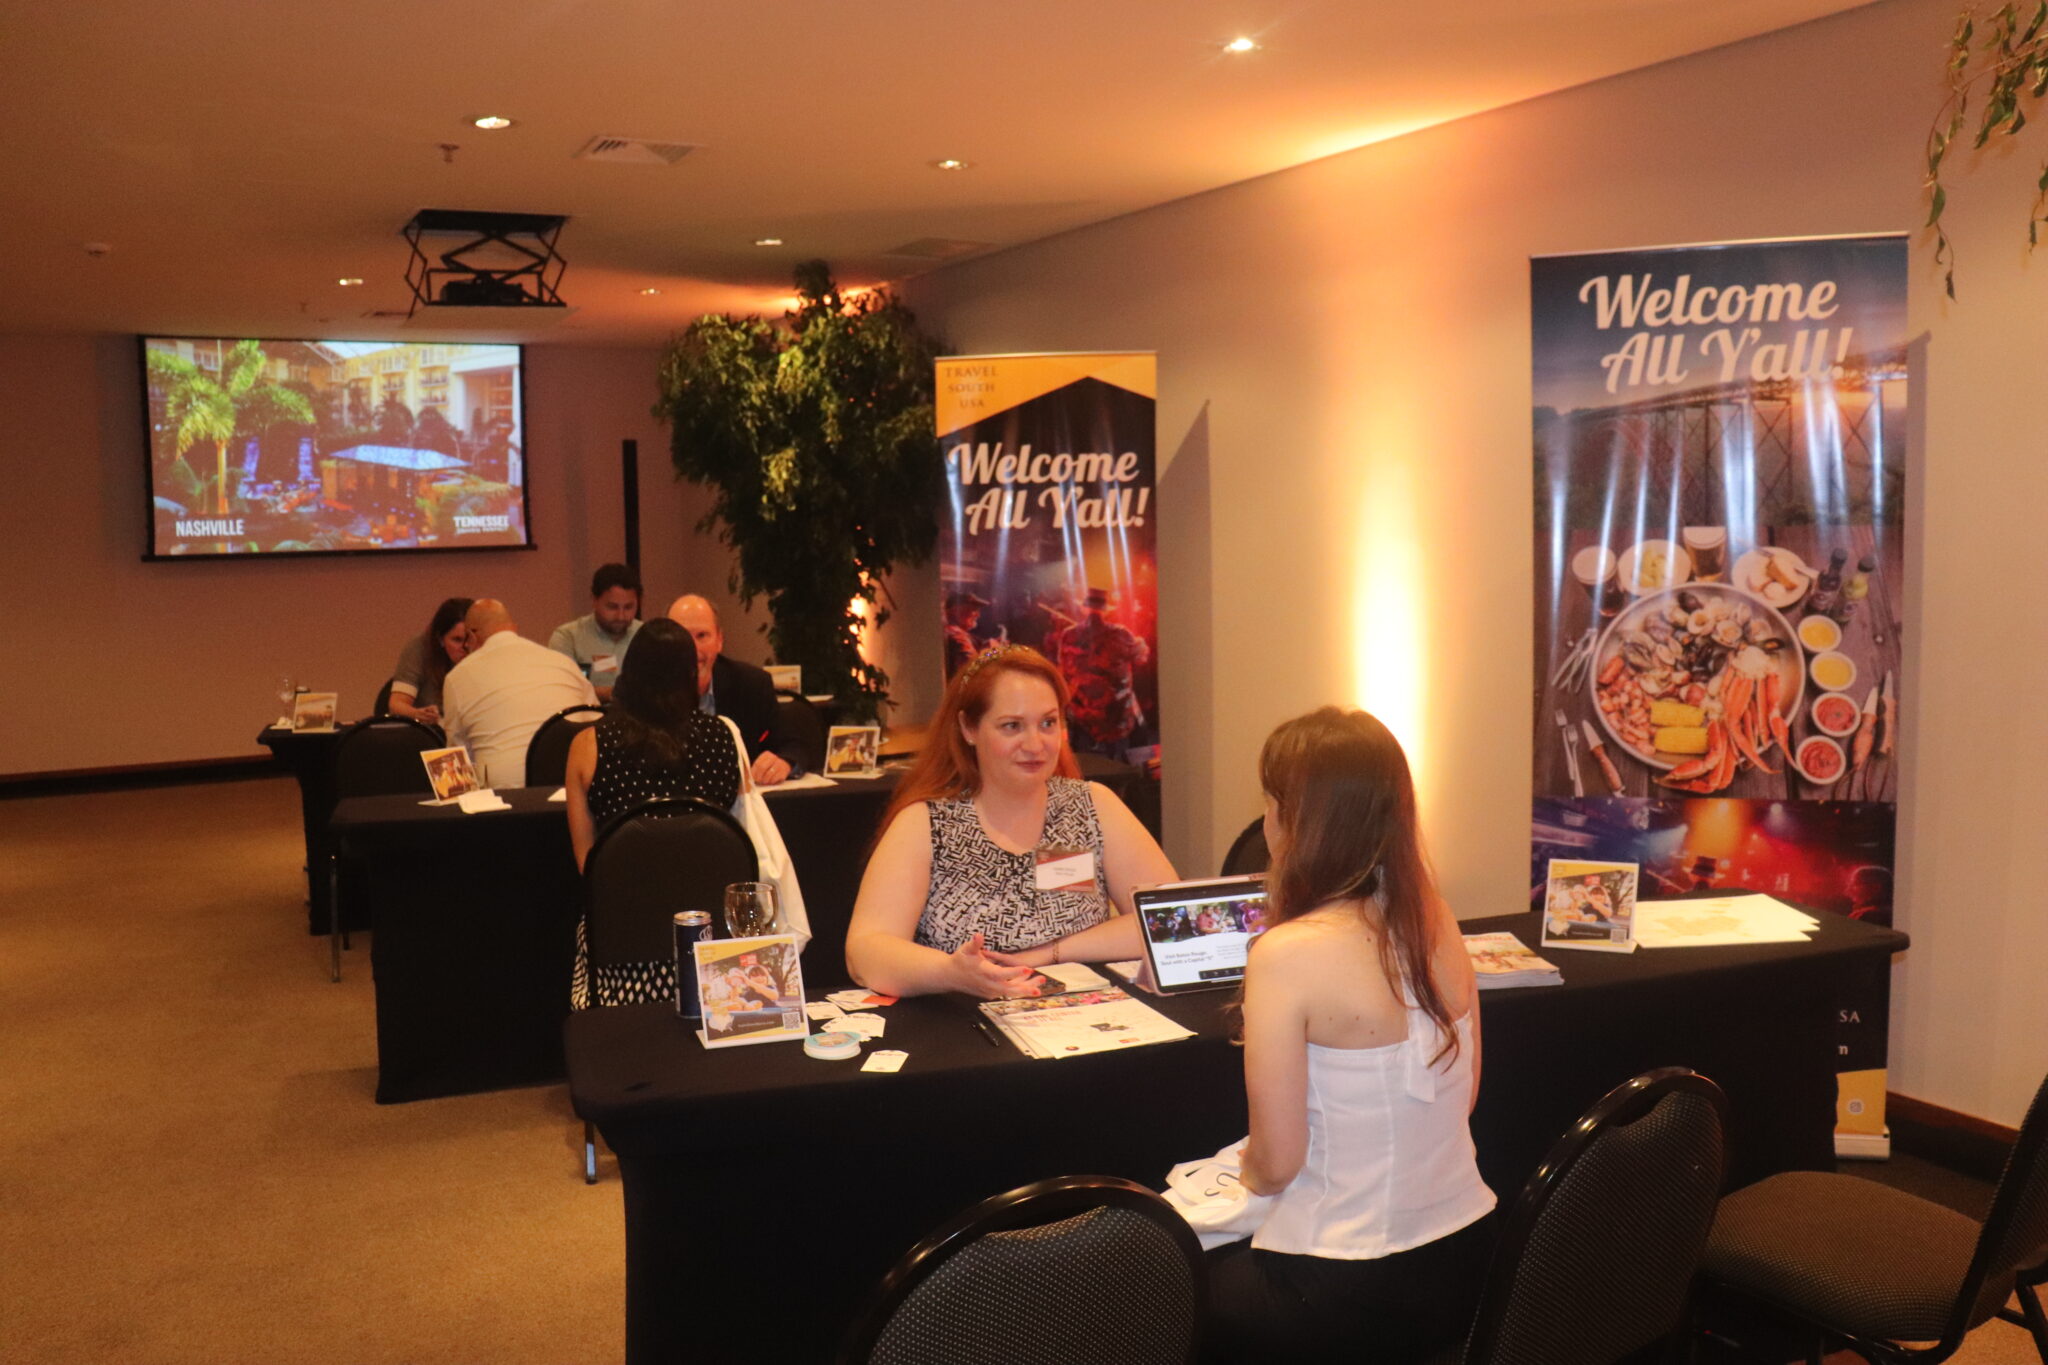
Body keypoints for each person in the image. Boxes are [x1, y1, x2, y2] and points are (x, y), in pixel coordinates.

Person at [1204, 707, 1495, 1365]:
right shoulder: (1437, 919)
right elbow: (1465, 1096)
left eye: (1271, 803)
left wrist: (1236, 1176)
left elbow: (1276, 1164)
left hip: (1340, 1286)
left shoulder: (1286, 953)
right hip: (1464, 1261)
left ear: (1296, 821)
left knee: (1161, 1285)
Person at [844, 643, 1177, 999]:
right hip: (965, 1018)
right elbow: (864, 953)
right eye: (1012, 726)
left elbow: (1173, 918)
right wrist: (952, 973)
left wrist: (1049, 954)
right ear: (969, 728)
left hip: (1086, 1016)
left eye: (1048, 723)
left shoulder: (1091, 805)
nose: (1035, 744)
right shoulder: (927, 823)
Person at [564, 618, 745, 1009]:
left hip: (620, 943)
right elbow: (733, 841)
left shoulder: (588, 745)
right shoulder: (722, 739)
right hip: (710, 947)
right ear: (690, 674)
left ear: (628, 673)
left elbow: (588, 866)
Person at [440, 599, 598, 789]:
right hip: (573, 786)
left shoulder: (457, 677)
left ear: (472, 636)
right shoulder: (564, 663)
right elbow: (596, 723)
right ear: (513, 628)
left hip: (504, 796)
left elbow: (458, 759)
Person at [665, 594, 806, 786]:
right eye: (682, 637)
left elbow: (793, 745)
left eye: (702, 636)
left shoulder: (751, 684)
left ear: (719, 640)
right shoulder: (645, 690)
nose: (693, 649)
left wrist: (784, 762)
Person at [1045, 586, 1150, 760]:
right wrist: (1140, 643)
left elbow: (1062, 667)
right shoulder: (1120, 634)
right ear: (1106, 610)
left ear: (1084, 609)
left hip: (1080, 710)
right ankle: (1137, 768)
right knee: (1140, 730)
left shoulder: (1068, 635)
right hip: (1115, 712)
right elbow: (1141, 658)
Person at [548, 562, 643, 702]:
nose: (621, 616)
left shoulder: (646, 635)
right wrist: (611, 694)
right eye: (612, 607)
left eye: (628, 607)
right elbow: (562, 688)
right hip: (587, 713)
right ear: (594, 600)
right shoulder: (568, 637)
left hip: (637, 714)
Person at [385, 597, 473, 724]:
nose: (465, 647)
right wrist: (418, 714)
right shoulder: (419, 648)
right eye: (457, 640)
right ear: (440, 639)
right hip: (428, 731)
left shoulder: (488, 652)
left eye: (469, 638)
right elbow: (397, 705)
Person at [942, 589, 989, 677]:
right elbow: (973, 669)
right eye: (973, 609)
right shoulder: (956, 634)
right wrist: (992, 652)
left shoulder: (957, 633)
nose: (978, 615)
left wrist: (985, 646)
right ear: (956, 611)